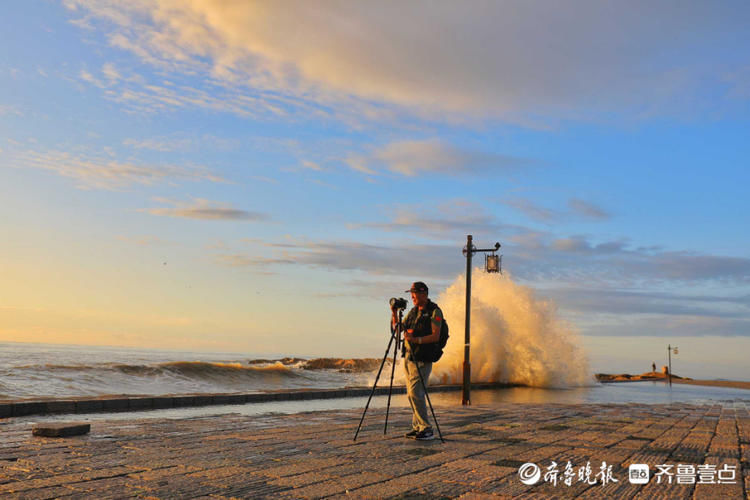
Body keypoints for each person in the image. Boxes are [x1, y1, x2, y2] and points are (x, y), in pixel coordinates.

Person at [391, 281, 443, 441]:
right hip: (408, 357)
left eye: (414, 293)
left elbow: (436, 335)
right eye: (411, 294)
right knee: (411, 394)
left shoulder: (435, 311)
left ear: (424, 294)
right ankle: (417, 427)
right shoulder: (413, 312)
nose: (412, 297)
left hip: (423, 358)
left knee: (416, 393)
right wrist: (394, 313)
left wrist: (416, 340)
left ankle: (427, 429)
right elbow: (398, 329)